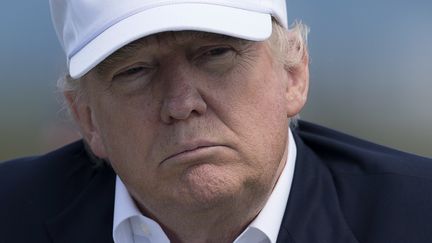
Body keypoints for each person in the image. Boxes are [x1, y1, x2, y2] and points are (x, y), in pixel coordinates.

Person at [1, 0, 431, 242]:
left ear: (293, 74)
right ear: (87, 118)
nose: (181, 103)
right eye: (135, 71)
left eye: (215, 54)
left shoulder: (416, 217)